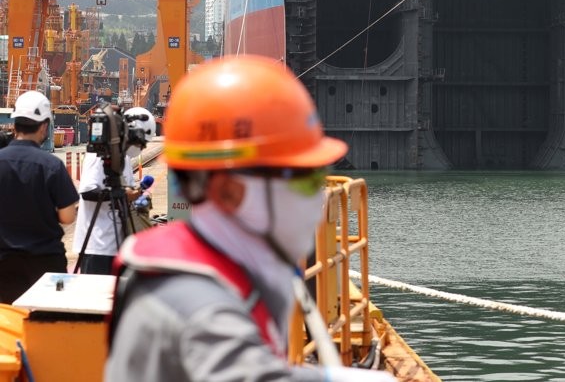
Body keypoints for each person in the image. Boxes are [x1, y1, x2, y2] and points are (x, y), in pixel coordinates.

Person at [105, 55, 394, 381]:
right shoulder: (193, 303)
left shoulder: (222, 268)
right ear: (230, 191)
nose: (321, 198)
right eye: (305, 179)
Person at [0, 90, 79, 303]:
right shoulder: (52, 165)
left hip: (4, 264)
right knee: (52, 320)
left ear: (15, 124)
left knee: (6, 325)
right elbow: (68, 217)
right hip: (47, 264)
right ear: (44, 126)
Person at [72, 106, 155, 275]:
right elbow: (87, 192)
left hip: (115, 243)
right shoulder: (99, 154)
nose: (140, 148)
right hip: (97, 246)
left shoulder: (121, 156)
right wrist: (124, 195)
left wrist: (133, 195)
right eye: (140, 143)